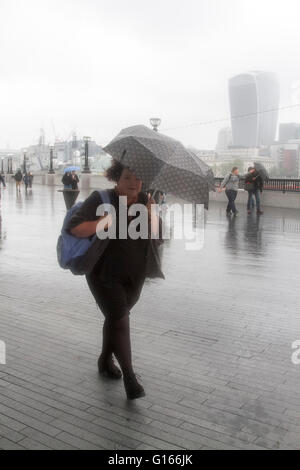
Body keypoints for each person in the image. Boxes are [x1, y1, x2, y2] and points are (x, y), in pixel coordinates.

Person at [66, 159, 164, 400]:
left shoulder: (146, 200)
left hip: (136, 274)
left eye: (138, 178)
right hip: (103, 274)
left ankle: (105, 359)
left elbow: (159, 236)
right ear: (116, 178)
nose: (133, 183)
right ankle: (130, 378)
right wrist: (104, 222)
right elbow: (74, 228)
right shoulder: (101, 199)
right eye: (128, 177)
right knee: (120, 319)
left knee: (116, 318)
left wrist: (152, 214)